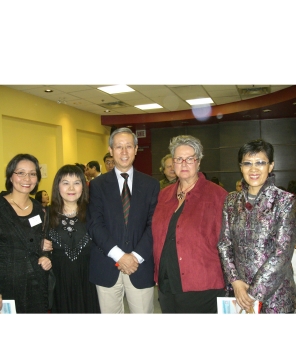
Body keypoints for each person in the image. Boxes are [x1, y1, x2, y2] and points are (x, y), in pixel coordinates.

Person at [218, 139, 296, 313]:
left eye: (260, 163)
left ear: (271, 166)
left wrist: (253, 294)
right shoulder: (232, 201)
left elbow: (282, 253)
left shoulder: (284, 201)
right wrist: (235, 282)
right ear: (241, 167)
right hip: (238, 291)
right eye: (247, 163)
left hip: (276, 296)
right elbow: (225, 244)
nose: (253, 169)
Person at [87, 127, 160, 313]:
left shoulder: (151, 184)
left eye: (129, 146)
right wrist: (120, 256)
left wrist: (134, 258)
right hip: (107, 263)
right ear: (111, 151)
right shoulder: (97, 185)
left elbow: (154, 225)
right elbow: (95, 224)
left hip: (140, 265)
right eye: (119, 147)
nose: (124, 152)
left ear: (136, 149)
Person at [152, 135, 228, 313]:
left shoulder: (217, 196)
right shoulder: (164, 195)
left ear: (199, 162)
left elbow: (228, 242)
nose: (183, 164)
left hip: (202, 287)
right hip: (167, 284)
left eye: (190, 159)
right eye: (178, 159)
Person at [0, 153, 52, 313]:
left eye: (32, 174)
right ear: (11, 177)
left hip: (36, 284)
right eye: (20, 173)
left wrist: (45, 255)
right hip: (6, 286)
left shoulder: (40, 210)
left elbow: (42, 243)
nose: (27, 179)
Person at [47, 165, 100, 313]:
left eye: (77, 183)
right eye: (65, 183)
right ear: (57, 186)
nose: (71, 188)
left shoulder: (94, 213)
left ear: (83, 186)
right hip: (59, 282)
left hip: (89, 282)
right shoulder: (46, 214)